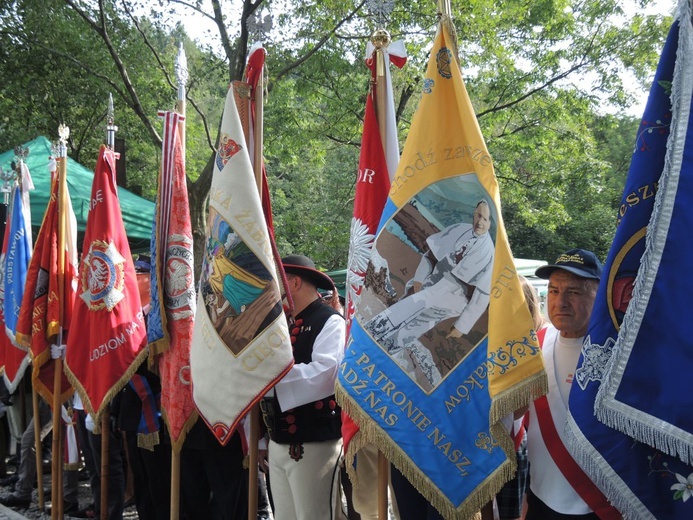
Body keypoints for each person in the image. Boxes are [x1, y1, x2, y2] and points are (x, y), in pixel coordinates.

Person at [525, 248, 618, 519]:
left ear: (598, 295)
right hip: (541, 497)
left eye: (574, 292)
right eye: (553, 291)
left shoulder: (618, 353)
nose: (560, 302)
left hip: (599, 504)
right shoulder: (534, 344)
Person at [365, 200, 495, 387]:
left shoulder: (489, 253)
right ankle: (373, 333)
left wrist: (462, 326)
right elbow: (431, 255)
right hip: (433, 280)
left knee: (416, 323)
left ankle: (384, 353)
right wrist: (419, 278)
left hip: (455, 298)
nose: (480, 222)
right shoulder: (459, 229)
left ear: (490, 223)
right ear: (474, 214)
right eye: (478, 216)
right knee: (410, 303)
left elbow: (482, 294)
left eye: (485, 219)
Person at [260, 254, 346, 520]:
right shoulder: (282, 324)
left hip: (314, 441)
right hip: (279, 441)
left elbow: (325, 374)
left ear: (294, 283)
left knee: (315, 516)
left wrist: (267, 376)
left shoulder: (330, 321)